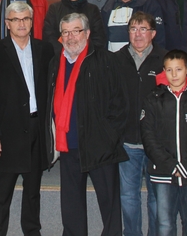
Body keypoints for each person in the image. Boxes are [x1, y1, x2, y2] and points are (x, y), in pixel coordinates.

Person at [48, 13, 128, 236]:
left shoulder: (105, 60)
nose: (71, 37)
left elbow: (120, 104)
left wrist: (110, 137)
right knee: (71, 208)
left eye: (76, 31)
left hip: (100, 146)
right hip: (68, 146)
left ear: (88, 33)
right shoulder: (56, 63)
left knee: (109, 206)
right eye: (66, 32)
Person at [0, 2, 53, 236]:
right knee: (3, 191)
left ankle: (32, 231)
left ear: (32, 22)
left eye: (25, 19)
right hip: (7, 132)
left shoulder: (45, 50)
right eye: (16, 19)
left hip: (36, 128)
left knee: (33, 191)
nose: (21, 24)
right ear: (7, 23)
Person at [141, 50, 187, 236]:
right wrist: (170, 165)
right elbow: (148, 137)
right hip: (164, 172)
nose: (174, 75)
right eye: (169, 70)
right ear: (163, 71)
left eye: (179, 69)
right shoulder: (154, 99)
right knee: (164, 225)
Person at [114, 12, 166, 236]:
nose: (138, 34)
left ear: (153, 33)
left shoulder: (165, 61)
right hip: (127, 143)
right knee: (128, 197)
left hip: (156, 144)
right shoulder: (116, 60)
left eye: (143, 29)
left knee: (156, 198)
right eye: (133, 29)